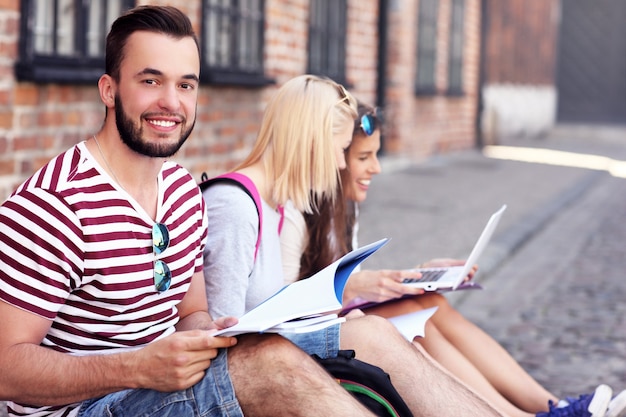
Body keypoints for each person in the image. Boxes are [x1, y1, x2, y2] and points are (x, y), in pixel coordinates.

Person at [0, 7, 408, 417]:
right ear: (109, 90)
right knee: (274, 368)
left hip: (167, 387)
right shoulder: (53, 204)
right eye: (150, 80)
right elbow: (5, 371)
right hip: (84, 409)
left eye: (186, 85)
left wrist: (207, 332)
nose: (171, 102)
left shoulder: (181, 190)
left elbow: (192, 311)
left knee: (371, 334)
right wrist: (137, 367)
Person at [202, 73, 545, 417]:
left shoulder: (270, 205)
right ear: (311, 141)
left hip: (281, 351)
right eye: (340, 150)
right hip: (261, 370)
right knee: (379, 333)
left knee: (385, 329)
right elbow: (220, 340)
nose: (340, 164)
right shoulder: (235, 206)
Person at [279, 101, 626, 417]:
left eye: (376, 155)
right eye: (363, 157)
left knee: (430, 301)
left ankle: (555, 406)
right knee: (413, 315)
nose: (377, 168)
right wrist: (362, 292)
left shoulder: (344, 208)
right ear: (333, 156)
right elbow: (288, 302)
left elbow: (347, 280)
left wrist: (422, 275)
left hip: (341, 319)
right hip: (316, 338)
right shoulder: (296, 211)